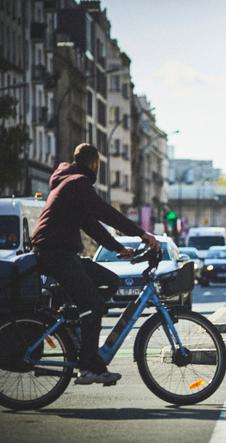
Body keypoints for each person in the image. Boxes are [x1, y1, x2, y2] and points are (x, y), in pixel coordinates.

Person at [31, 143, 159, 385]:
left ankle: (72, 328)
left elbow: (91, 224)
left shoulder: (70, 184)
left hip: (59, 252)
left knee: (110, 280)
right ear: (94, 164)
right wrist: (142, 234)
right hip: (55, 253)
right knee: (93, 305)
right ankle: (88, 366)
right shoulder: (77, 183)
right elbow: (105, 213)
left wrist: (118, 248)